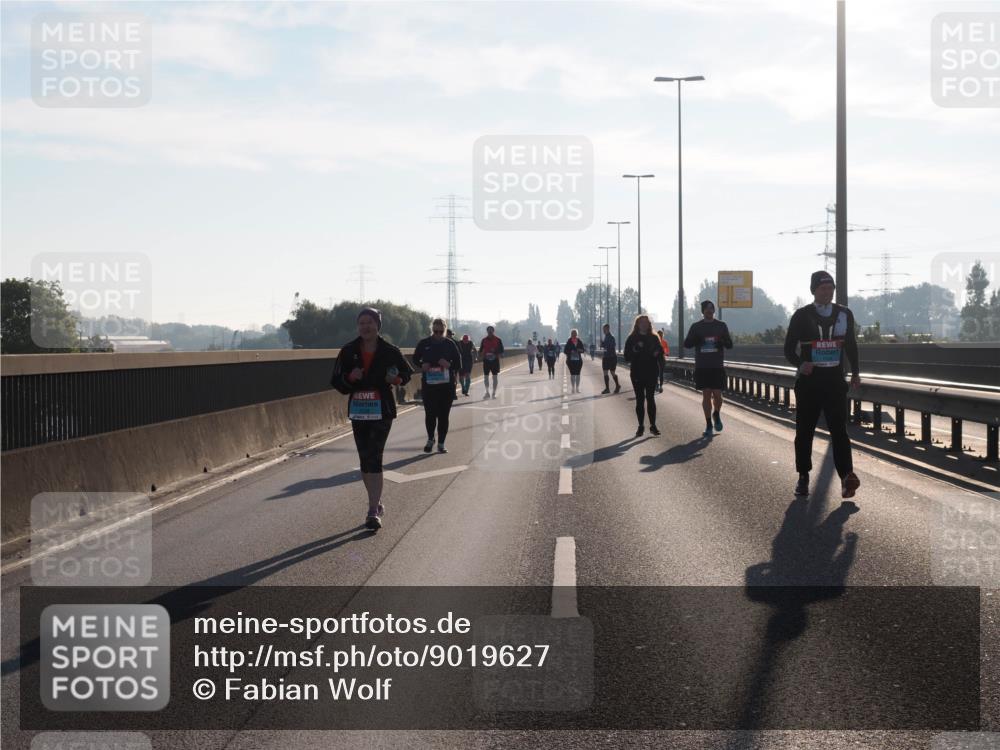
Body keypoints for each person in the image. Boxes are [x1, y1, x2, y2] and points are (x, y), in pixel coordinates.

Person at [331, 307, 414, 531]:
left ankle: (372, 510)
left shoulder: (390, 350)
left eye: (370, 322)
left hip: (382, 410)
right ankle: (376, 503)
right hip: (359, 410)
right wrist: (350, 377)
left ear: (378, 325)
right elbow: (336, 381)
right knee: (364, 459)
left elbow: (407, 375)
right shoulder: (348, 351)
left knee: (374, 457)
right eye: (362, 323)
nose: (365, 326)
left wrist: (395, 379)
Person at [784, 270, 862, 499]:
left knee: (839, 431)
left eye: (831, 289)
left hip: (835, 382)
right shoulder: (801, 315)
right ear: (814, 290)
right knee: (804, 431)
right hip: (809, 384)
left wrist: (856, 372)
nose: (827, 293)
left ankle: (847, 477)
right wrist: (801, 364)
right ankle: (803, 476)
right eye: (823, 289)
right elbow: (788, 349)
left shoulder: (844, 314)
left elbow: (851, 345)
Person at [684, 300, 733, 437]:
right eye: (707, 309)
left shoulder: (721, 326)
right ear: (703, 311)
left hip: (717, 365)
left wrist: (721, 342)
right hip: (702, 365)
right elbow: (686, 344)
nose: (709, 311)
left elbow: (730, 344)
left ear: (714, 311)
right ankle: (708, 425)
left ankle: (716, 413)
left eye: (712, 309)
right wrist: (696, 341)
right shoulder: (696, 327)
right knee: (706, 394)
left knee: (717, 394)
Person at [414, 318, 462, 454]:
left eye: (441, 331)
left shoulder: (450, 344)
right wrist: (421, 365)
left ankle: (441, 443)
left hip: (446, 387)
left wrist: (449, 365)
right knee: (430, 414)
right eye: (435, 331)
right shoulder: (424, 343)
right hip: (429, 386)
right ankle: (430, 439)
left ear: (445, 330)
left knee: (443, 415)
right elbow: (415, 359)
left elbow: (459, 364)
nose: (438, 334)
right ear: (432, 330)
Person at [624, 314, 664, 437]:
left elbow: (661, 353)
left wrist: (657, 353)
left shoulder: (654, 337)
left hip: (651, 372)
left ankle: (653, 425)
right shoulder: (632, 338)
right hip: (637, 373)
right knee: (640, 400)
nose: (644, 324)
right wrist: (636, 348)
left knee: (650, 398)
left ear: (649, 324)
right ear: (637, 325)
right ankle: (641, 426)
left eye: (646, 322)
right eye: (641, 322)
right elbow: (626, 357)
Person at [479, 325, 505, 399]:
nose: (490, 332)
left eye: (491, 331)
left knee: (494, 377)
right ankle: (487, 392)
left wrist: (495, 352)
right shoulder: (484, 340)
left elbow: (502, 351)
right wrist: (481, 355)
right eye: (489, 331)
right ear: (487, 331)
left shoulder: (498, 340)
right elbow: (480, 351)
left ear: (493, 331)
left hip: (495, 361)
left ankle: (493, 393)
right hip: (486, 361)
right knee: (486, 377)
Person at [599, 323, 620, 394]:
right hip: (606, 357)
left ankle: (617, 385)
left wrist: (604, 345)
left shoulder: (611, 337)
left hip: (611, 357)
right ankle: (608, 388)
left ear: (607, 329)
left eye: (604, 329)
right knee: (606, 372)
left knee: (612, 372)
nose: (603, 331)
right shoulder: (606, 337)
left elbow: (612, 346)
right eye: (603, 329)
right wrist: (602, 344)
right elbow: (605, 346)